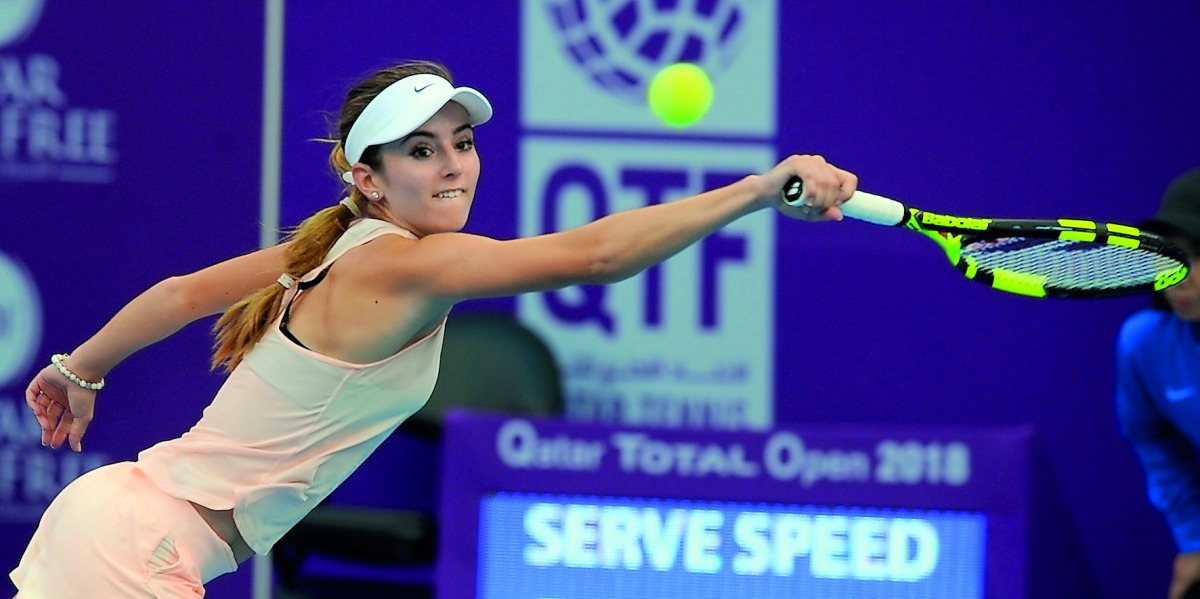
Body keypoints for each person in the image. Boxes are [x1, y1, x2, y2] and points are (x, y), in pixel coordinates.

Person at [9, 59, 857, 598]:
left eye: (461, 142)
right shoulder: (405, 265)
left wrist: (78, 371)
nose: (455, 164)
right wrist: (753, 190)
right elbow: (595, 255)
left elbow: (183, 293)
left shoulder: (338, 243)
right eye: (421, 150)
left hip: (117, 521)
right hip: (136, 551)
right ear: (369, 178)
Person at [1115, 168, 1200, 599]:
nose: (1179, 276)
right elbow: (1157, 444)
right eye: (1171, 255)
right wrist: (1194, 541)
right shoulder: (1144, 342)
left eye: (1196, 255)